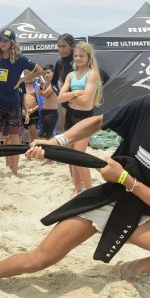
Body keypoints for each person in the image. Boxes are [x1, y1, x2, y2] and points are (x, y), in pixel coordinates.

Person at [0, 59, 150, 283]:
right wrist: (57, 141)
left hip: (147, 214)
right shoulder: (147, 108)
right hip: (110, 199)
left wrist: (124, 177)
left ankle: (132, 269)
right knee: (38, 260)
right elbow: (96, 122)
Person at [0, 28, 43, 177]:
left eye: (5, 40)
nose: (2, 43)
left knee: (15, 139)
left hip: (13, 103)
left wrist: (23, 79)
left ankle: (14, 170)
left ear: (12, 42)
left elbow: (40, 70)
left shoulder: (20, 58)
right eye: (0, 40)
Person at [57, 42, 102, 196]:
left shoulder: (92, 74)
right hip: (70, 116)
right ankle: (77, 188)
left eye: (81, 55)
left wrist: (69, 97)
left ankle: (89, 191)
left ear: (89, 57)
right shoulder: (70, 75)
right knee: (71, 157)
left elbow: (86, 101)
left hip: (84, 118)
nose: (77, 58)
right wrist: (76, 94)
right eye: (75, 55)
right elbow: (59, 98)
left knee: (79, 156)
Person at [52, 33, 76, 127]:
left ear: (72, 46)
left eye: (64, 46)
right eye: (59, 46)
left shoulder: (79, 61)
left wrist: (89, 94)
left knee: (82, 137)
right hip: (66, 106)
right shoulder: (60, 63)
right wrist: (60, 95)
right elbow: (53, 83)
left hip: (81, 105)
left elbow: (101, 77)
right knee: (68, 136)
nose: (61, 49)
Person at [39, 65, 59, 139]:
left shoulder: (55, 83)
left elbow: (44, 95)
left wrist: (42, 88)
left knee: (46, 137)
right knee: (42, 136)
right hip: (44, 111)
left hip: (51, 113)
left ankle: (46, 150)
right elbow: (39, 94)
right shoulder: (47, 83)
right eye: (44, 74)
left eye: (48, 73)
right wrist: (41, 87)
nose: (46, 75)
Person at [23, 79, 41, 143]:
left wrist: (31, 110)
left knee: (32, 134)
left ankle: (31, 150)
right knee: (18, 134)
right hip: (22, 112)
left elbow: (41, 102)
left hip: (33, 112)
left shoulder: (38, 86)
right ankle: (18, 152)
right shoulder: (21, 85)